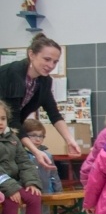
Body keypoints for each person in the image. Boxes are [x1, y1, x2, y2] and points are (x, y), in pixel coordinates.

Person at [0, 34, 80, 170]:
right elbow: (13, 119)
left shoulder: (44, 81)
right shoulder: (13, 73)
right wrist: (35, 151)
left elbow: (54, 113)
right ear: (31, 54)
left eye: (55, 62)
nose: (51, 65)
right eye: (47, 59)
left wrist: (70, 140)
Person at [0, 99, 51, 214]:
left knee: (34, 195)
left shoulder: (13, 138)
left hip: (11, 184)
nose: (0, 122)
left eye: (3, 118)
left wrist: (31, 182)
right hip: (3, 186)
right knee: (11, 200)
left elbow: (24, 162)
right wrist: (11, 188)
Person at [20, 118, 62, 214]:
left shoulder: (47, 155)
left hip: (45, 194)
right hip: (28, 197)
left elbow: (53, 174)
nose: (38, 139)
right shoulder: (22, 155)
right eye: (33, 135)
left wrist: (58, 191)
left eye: (41, 136)